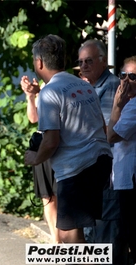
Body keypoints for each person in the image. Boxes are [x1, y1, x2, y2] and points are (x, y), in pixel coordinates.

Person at [24, 34, 112, 244]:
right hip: (101, 162)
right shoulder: (84, 86)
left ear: (39, 62)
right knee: (76, 232)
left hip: (77, 168)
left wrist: (35, 159)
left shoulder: (50, 92)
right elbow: (101, 125)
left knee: (68, 235)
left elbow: (51, 141)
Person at [78, 39, 125, 265]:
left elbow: (106, 132)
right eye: (81, 62)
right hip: (90, 171)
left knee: (105, 235)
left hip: (107, 171)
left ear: (102, 61)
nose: (84, 66)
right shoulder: (90, 88)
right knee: (91, 233)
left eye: (89, 61)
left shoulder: (111, 87)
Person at [21, 76, 59, 243]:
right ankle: (56, 240)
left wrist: (40, 92)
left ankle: (65, 239)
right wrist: (30, 96)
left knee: (60, 195)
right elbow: (33, 118)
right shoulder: (43, 85)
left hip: (59, 145)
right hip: (42, 144)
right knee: (47, 197)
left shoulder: (61, 85)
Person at [107, 55, 136, 264]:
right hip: (123, 178)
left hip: (131, 180)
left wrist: (116, 106)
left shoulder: (133, 106)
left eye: (133, 76)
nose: (126, 81)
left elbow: (111, 136)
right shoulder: (130, 103)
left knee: (128, 236)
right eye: (123, 75)